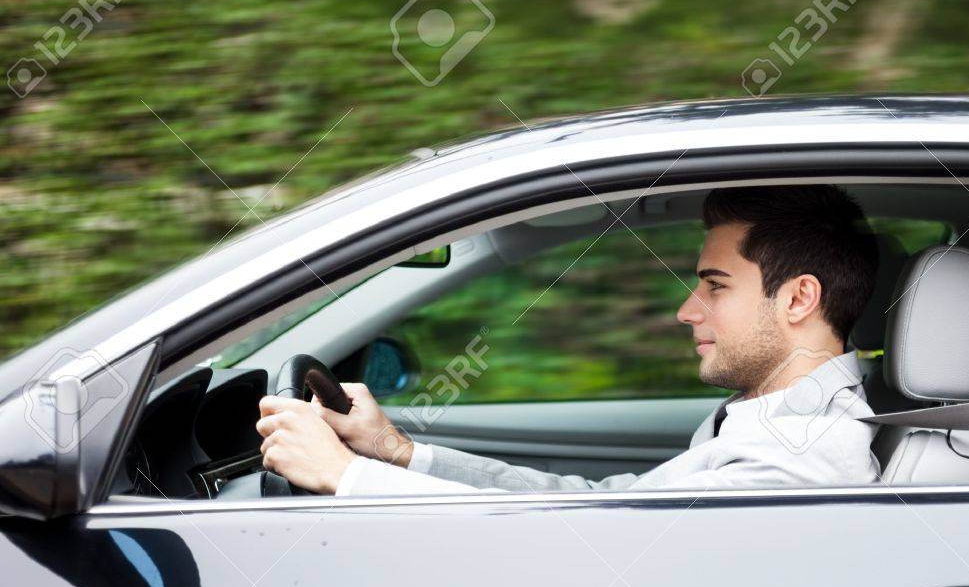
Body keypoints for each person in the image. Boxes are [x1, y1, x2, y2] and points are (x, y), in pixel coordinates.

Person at [256, 184, 882, 495]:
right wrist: (395, 452)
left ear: (799, 298)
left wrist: (346, 476)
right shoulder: (768, 421)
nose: (686, 311)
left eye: (715, 286)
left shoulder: (800, 457)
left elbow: (580, 554)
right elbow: (600, 509)